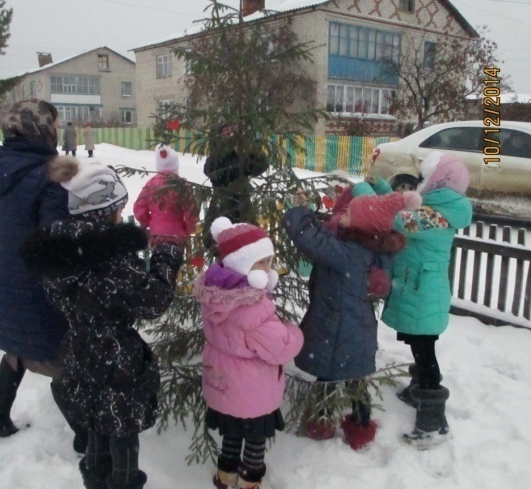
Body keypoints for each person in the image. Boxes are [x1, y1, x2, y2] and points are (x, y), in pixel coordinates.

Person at [20, 159, 183, 489]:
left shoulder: (58, 249)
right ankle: (122, 483)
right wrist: (166, 258)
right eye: (118, 209)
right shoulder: (109, 258)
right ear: (108, 210)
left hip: (79, 349)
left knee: (96, 422)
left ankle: (95, 479)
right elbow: (153, 301)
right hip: (115, 357)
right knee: (122, 431)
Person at [0, 98, 86, 453]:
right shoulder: (48, 175)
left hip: (4, 275)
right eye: (53, 125)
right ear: (39, 128)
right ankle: (85, 437)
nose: (56, 131)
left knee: (15, 348)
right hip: (36, 282)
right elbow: (54, 238)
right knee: (61, 362)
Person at [283, 184, 420, 450]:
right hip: (357, 327)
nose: (341, 216)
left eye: (348, 215)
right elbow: (327, 239)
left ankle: (320, 424)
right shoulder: (368, 247)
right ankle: (360, 426)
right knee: (356, 378)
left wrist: (299, 211)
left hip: (338, 328)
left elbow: (313, 241)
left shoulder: (349, 254)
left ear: (360, 226)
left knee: (328, 377)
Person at [194, 217, 303, 489]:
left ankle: (225, 475)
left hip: (225, 385)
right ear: (243, 266)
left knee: (232, 432)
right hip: (252, 388)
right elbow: (279, 347)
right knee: (254, 439)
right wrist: (295, 332)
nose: (269, 269)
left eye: (269, 261)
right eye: (262, 263)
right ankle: (250, 481)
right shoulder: (252, 307)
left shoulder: (216, 293)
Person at [378, 151, 472, 449]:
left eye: (424, 178)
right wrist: (381, 188)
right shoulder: (436, 208)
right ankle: (418, 389)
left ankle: (433, 421)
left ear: (438, 181)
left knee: (425, 351)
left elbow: (400, 220)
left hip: (423, 293)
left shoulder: (436, 216)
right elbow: (404, 210)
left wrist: (370, 193)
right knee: (420, 346)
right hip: (420, 290)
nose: (419, 182)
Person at [202, 124, 268, 249]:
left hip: (242, 205)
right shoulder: (217, 156)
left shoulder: (242, 154)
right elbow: (210, 171)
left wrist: (247, 150)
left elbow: (262, 165)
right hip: (221, 206)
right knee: (219, 246)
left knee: (246, 245)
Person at [133, 144, 199, 247]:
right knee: (176, 260)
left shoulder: (150, 184)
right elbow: (191, 211)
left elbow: (139, 208)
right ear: (176, 165)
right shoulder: (182, 185)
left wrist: (150, 223)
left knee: (158, 260)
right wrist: (188, 228)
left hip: (156, 235)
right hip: (177, 235)